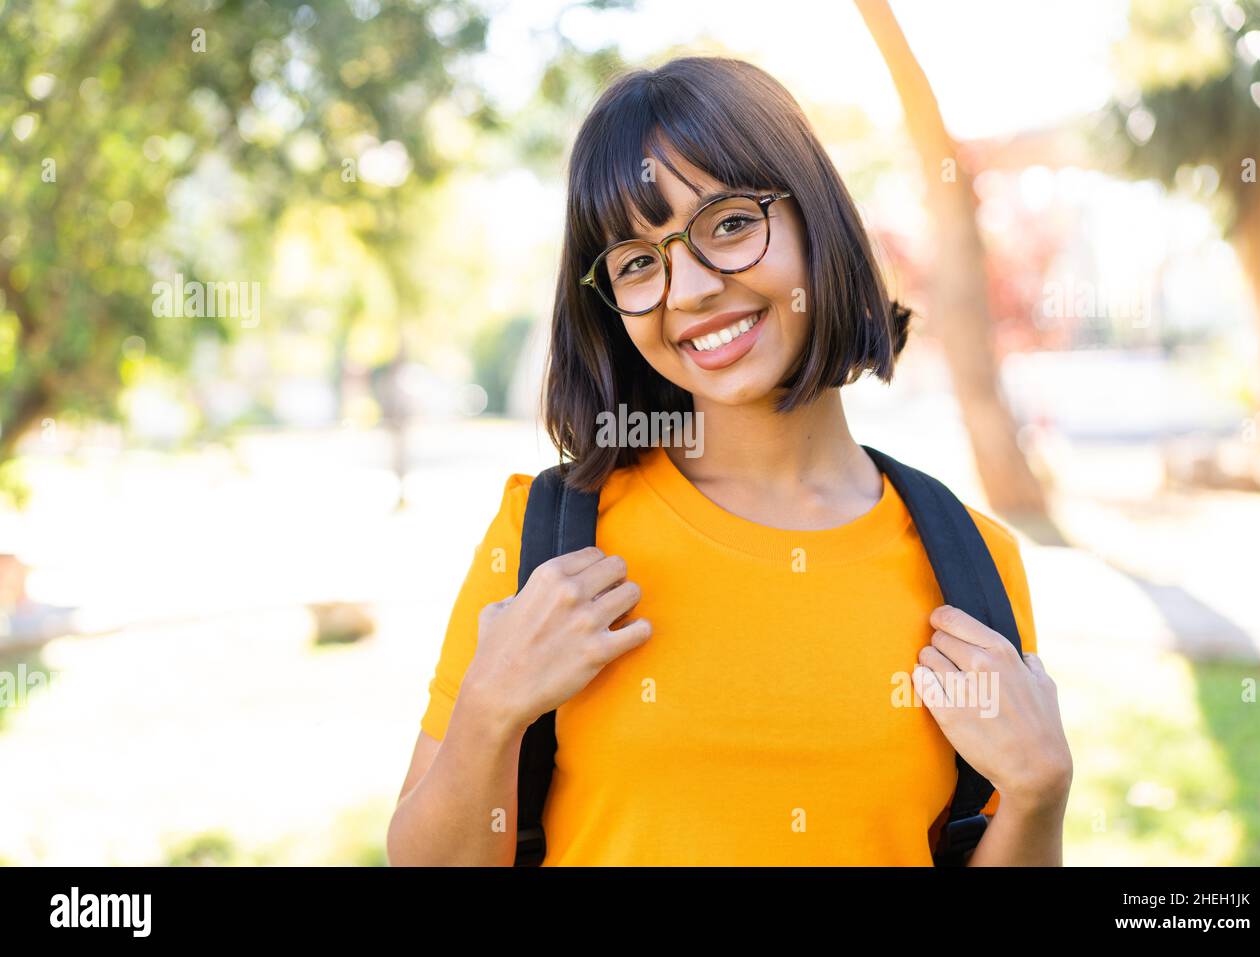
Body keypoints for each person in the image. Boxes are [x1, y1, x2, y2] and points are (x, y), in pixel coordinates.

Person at [387, 55, 1071, 866]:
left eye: (730, 224)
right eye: (638, 262)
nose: (690, 289)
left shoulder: (974, 566)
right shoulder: (547, 542)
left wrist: (1038, 796)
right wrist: (490, 708)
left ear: (819, 218)